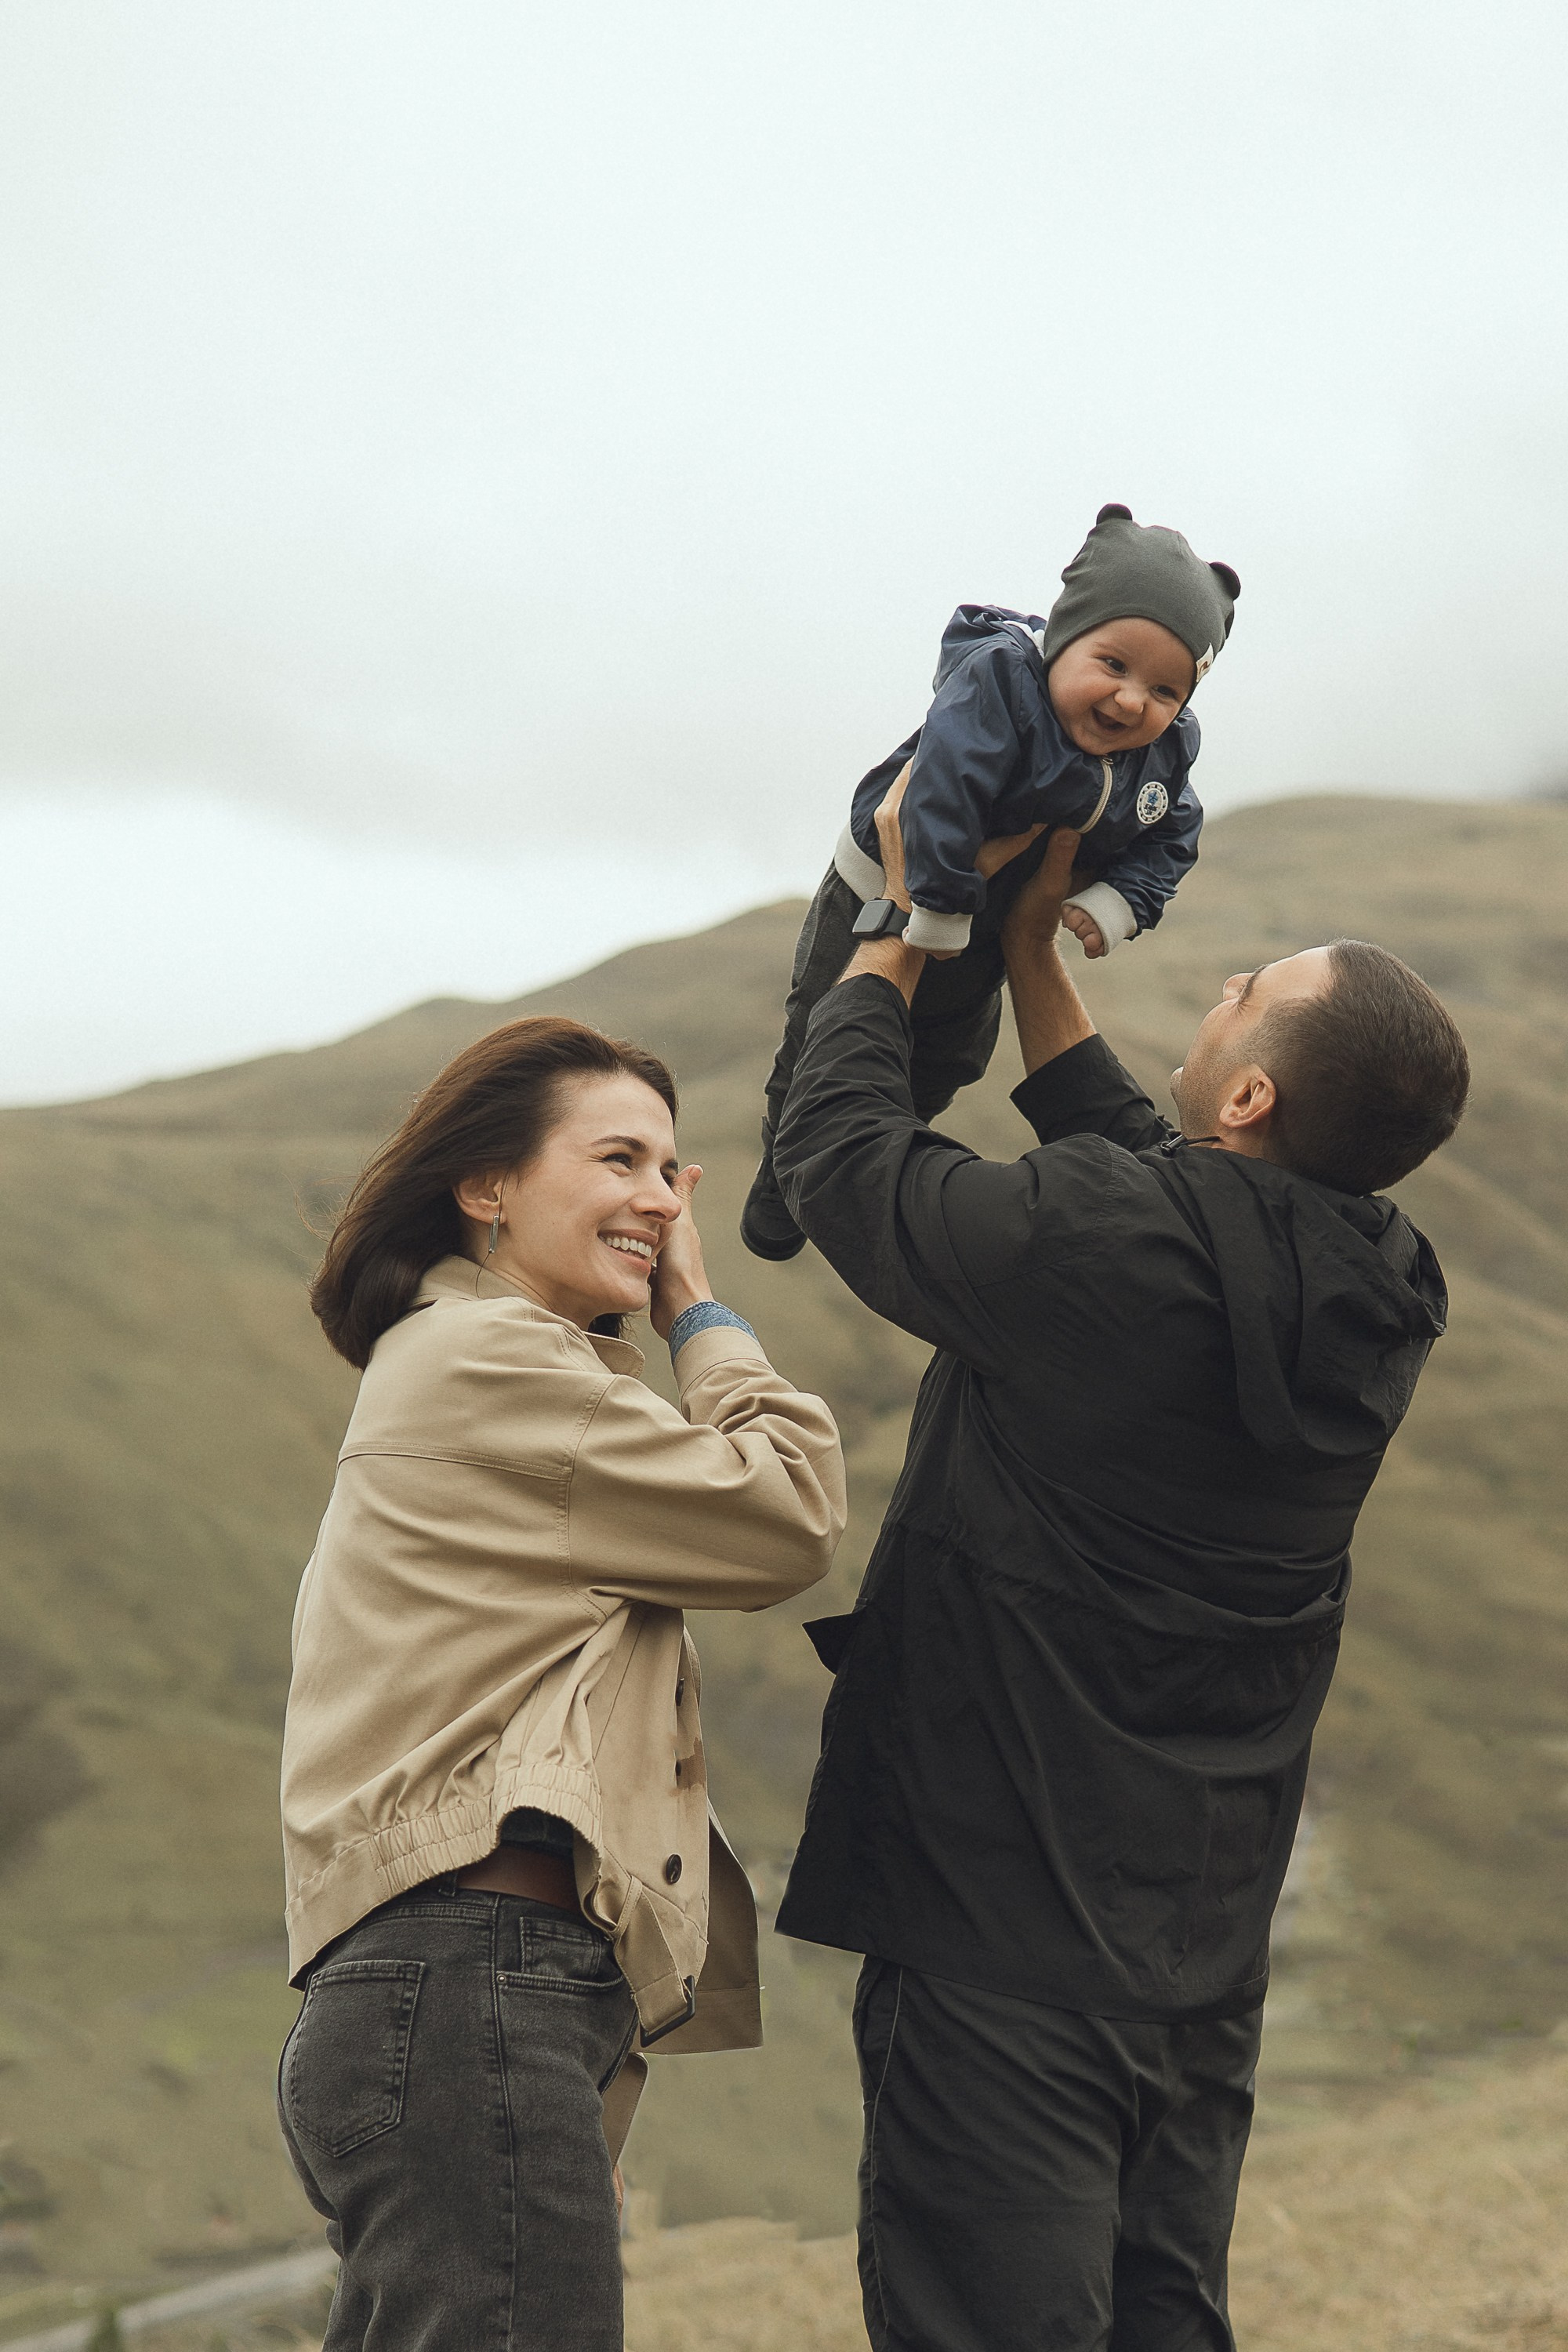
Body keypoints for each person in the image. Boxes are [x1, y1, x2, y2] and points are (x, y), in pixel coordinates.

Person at [771, 791, 1469, 2352]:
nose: (1215, 989)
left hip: (1003, 1937)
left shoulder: (1106, 1247)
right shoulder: (1379, 1294)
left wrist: (903, 934)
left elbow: (842, 1169)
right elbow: (1178, 1206)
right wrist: (1035, 962)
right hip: (1194, 1960)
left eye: (1244, 991)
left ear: (1252, 1094)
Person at [276, 1014, 845, 2352]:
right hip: (474, 1979)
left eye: (671, 1169)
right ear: (488, 1187)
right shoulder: (495, 1364)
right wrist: (700, 1313)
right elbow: (789, 1512)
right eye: (620, 1158)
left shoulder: (488, 1367)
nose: (658, 1196)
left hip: (454, 1986)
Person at [742, 502, 1240, 1261]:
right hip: (885, 891)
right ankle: (786, 1171)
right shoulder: (1000, 685)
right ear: (1065, 638)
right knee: (827, 1027)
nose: (1133, 701)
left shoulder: (1162, 755)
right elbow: (940, 791)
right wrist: (932, 905)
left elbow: (1176, 832)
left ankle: (881, 1142)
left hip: (988, 923)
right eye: (1112, 664)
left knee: (951, 1054)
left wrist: (1117, 901)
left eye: (1166, 692)